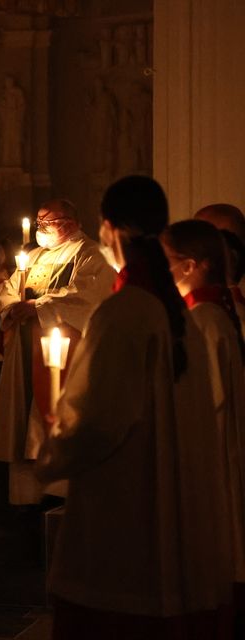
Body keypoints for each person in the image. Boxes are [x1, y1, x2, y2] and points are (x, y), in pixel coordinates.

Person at [37, 176, 233, 637]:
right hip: (173, 511)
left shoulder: (123, 314)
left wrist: (56, 440)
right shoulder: (179, 312)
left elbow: (96, 425)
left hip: (127, 522)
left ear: (108, 229)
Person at [0, 199, 116, 505]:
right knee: (23, 420)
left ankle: (60, 494)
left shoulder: (91, 254)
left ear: (69, 223)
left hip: (63, 348)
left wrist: (37, 307)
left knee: (57, 416)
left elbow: (90, 297)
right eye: (38, 222)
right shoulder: (33, 256)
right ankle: (26, 497)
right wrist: (11, 310)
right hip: (25, 348)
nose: (39, 229)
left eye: (46, 223)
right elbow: (7, 292)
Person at [163, 219, 245, 623]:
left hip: (209, 468)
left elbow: (206, 404)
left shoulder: (205, 323)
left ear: (193, 266)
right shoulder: (205, 318)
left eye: (169, 262)